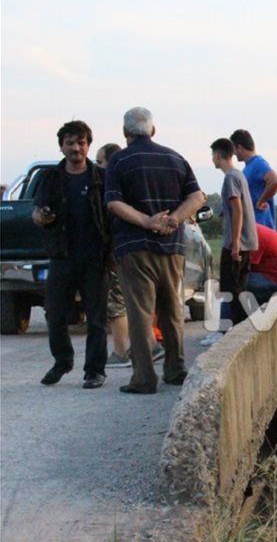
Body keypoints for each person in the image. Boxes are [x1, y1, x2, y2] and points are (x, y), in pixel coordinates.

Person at [105, 107, 206, 394]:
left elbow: (113, 203)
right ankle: (175, 369)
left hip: (134, 248)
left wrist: (147, 221)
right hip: (172, 248)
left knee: (139, 313)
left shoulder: (118, 161)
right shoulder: (175, 158)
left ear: (125, 133)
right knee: (172, 310)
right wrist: (174, 218)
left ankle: (144, 378)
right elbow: (197, 196)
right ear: (153, 130)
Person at [32, 120, 111, 389]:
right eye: (70, 143)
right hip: (62, 256)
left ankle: (94, 371)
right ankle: (63, 361)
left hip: (94, 258)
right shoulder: (50, 178)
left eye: (81, 142)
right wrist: (42, 216)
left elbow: (113, 212)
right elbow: (37, 213)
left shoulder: (101, 177)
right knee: (54, 314)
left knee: (97, 317)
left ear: (88, 145)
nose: (76, 148)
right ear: (61, 146)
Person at [97, 143, 165, 368]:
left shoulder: (113, 189)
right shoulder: (134, 184)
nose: (98, 168)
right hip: (138, 251)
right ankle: (152, 346)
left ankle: (121, 352)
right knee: (138, 303)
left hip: (119, 253)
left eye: (100, 162)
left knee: (116, 304)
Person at [212, 138, 258, 325]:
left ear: (218, 155)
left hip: (236, 242)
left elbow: (238, 209)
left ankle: (240, 327)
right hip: (249, 241)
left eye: (213, 156)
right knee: (240, 287)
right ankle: (243, 326)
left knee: (231, 289)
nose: (212, 160)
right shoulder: (239, 175)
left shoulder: (230, 177)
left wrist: (235, 243)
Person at [229, 129, 277, 229]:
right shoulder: (247, 168)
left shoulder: (258, 163)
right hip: (252, 227)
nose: (234, 154)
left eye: (234, 150)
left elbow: (275, 181)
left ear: (239, 147)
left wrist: (261, 201)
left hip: (262, 225)